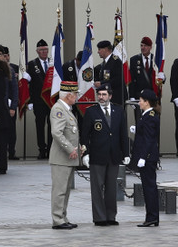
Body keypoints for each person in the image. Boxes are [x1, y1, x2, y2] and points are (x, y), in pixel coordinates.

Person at [80, 85, 130, 226]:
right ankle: (99, 218)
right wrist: (86, 153)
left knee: (111, 189)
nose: (101, 97)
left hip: (113, 155)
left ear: (110, 96)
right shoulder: (91, 112)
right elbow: (85, 135)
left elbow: (123, 134)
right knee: (97, 188)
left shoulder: (119, 111)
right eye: (99, 94)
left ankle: (110, 216)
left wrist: (126, 153)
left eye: (104, 94)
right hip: (97, 155)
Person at [49, 81, 82, 230]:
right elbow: (57, 132)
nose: (77, 97)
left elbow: (70, 133)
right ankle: (57, 219)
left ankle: (63, 216)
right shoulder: (59, 109)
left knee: (66, 191)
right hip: (61, 158)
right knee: (60, 190)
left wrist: (78, 148)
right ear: (69, 95)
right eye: (76, 94)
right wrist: (70, 149)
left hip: (68, 158)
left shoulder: (66, 108)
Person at [132, 89, 160, 227]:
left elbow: (149, 139)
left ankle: (152, 217)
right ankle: (152, 216)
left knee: (149, 188)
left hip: (148, 158)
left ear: (147, 102)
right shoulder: (147, 115)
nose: (139, 103)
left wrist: (143, 157)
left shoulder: (150, 116)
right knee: (148, 187)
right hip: (148, 157)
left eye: (141, 100)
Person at [0, 45, 20, 160]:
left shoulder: (9, 70)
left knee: (10, 131)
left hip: (7, 107)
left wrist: (13, 107)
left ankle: (11, 152)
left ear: (4, 56)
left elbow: (14, 90)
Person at [25, 39, 52, 159]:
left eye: (46, 50)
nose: (44, 52)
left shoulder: (53, 63)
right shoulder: (31, 64)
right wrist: (29, 101)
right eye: (41, 50)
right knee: (40, 126)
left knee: (52, 126)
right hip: (38, 100)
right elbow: (27, 85)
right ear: (37, 51)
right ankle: (42, 149)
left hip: (52, 100)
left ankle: (51, 149)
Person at [94, 41, 127, 107]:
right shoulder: (104, 63)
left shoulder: (116, 61)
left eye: (99, 49)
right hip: (107, 98)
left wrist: (101, 83)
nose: (98, 52)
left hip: (116, 98)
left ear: (105, 49)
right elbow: (105, 78)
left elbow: (117, 79)